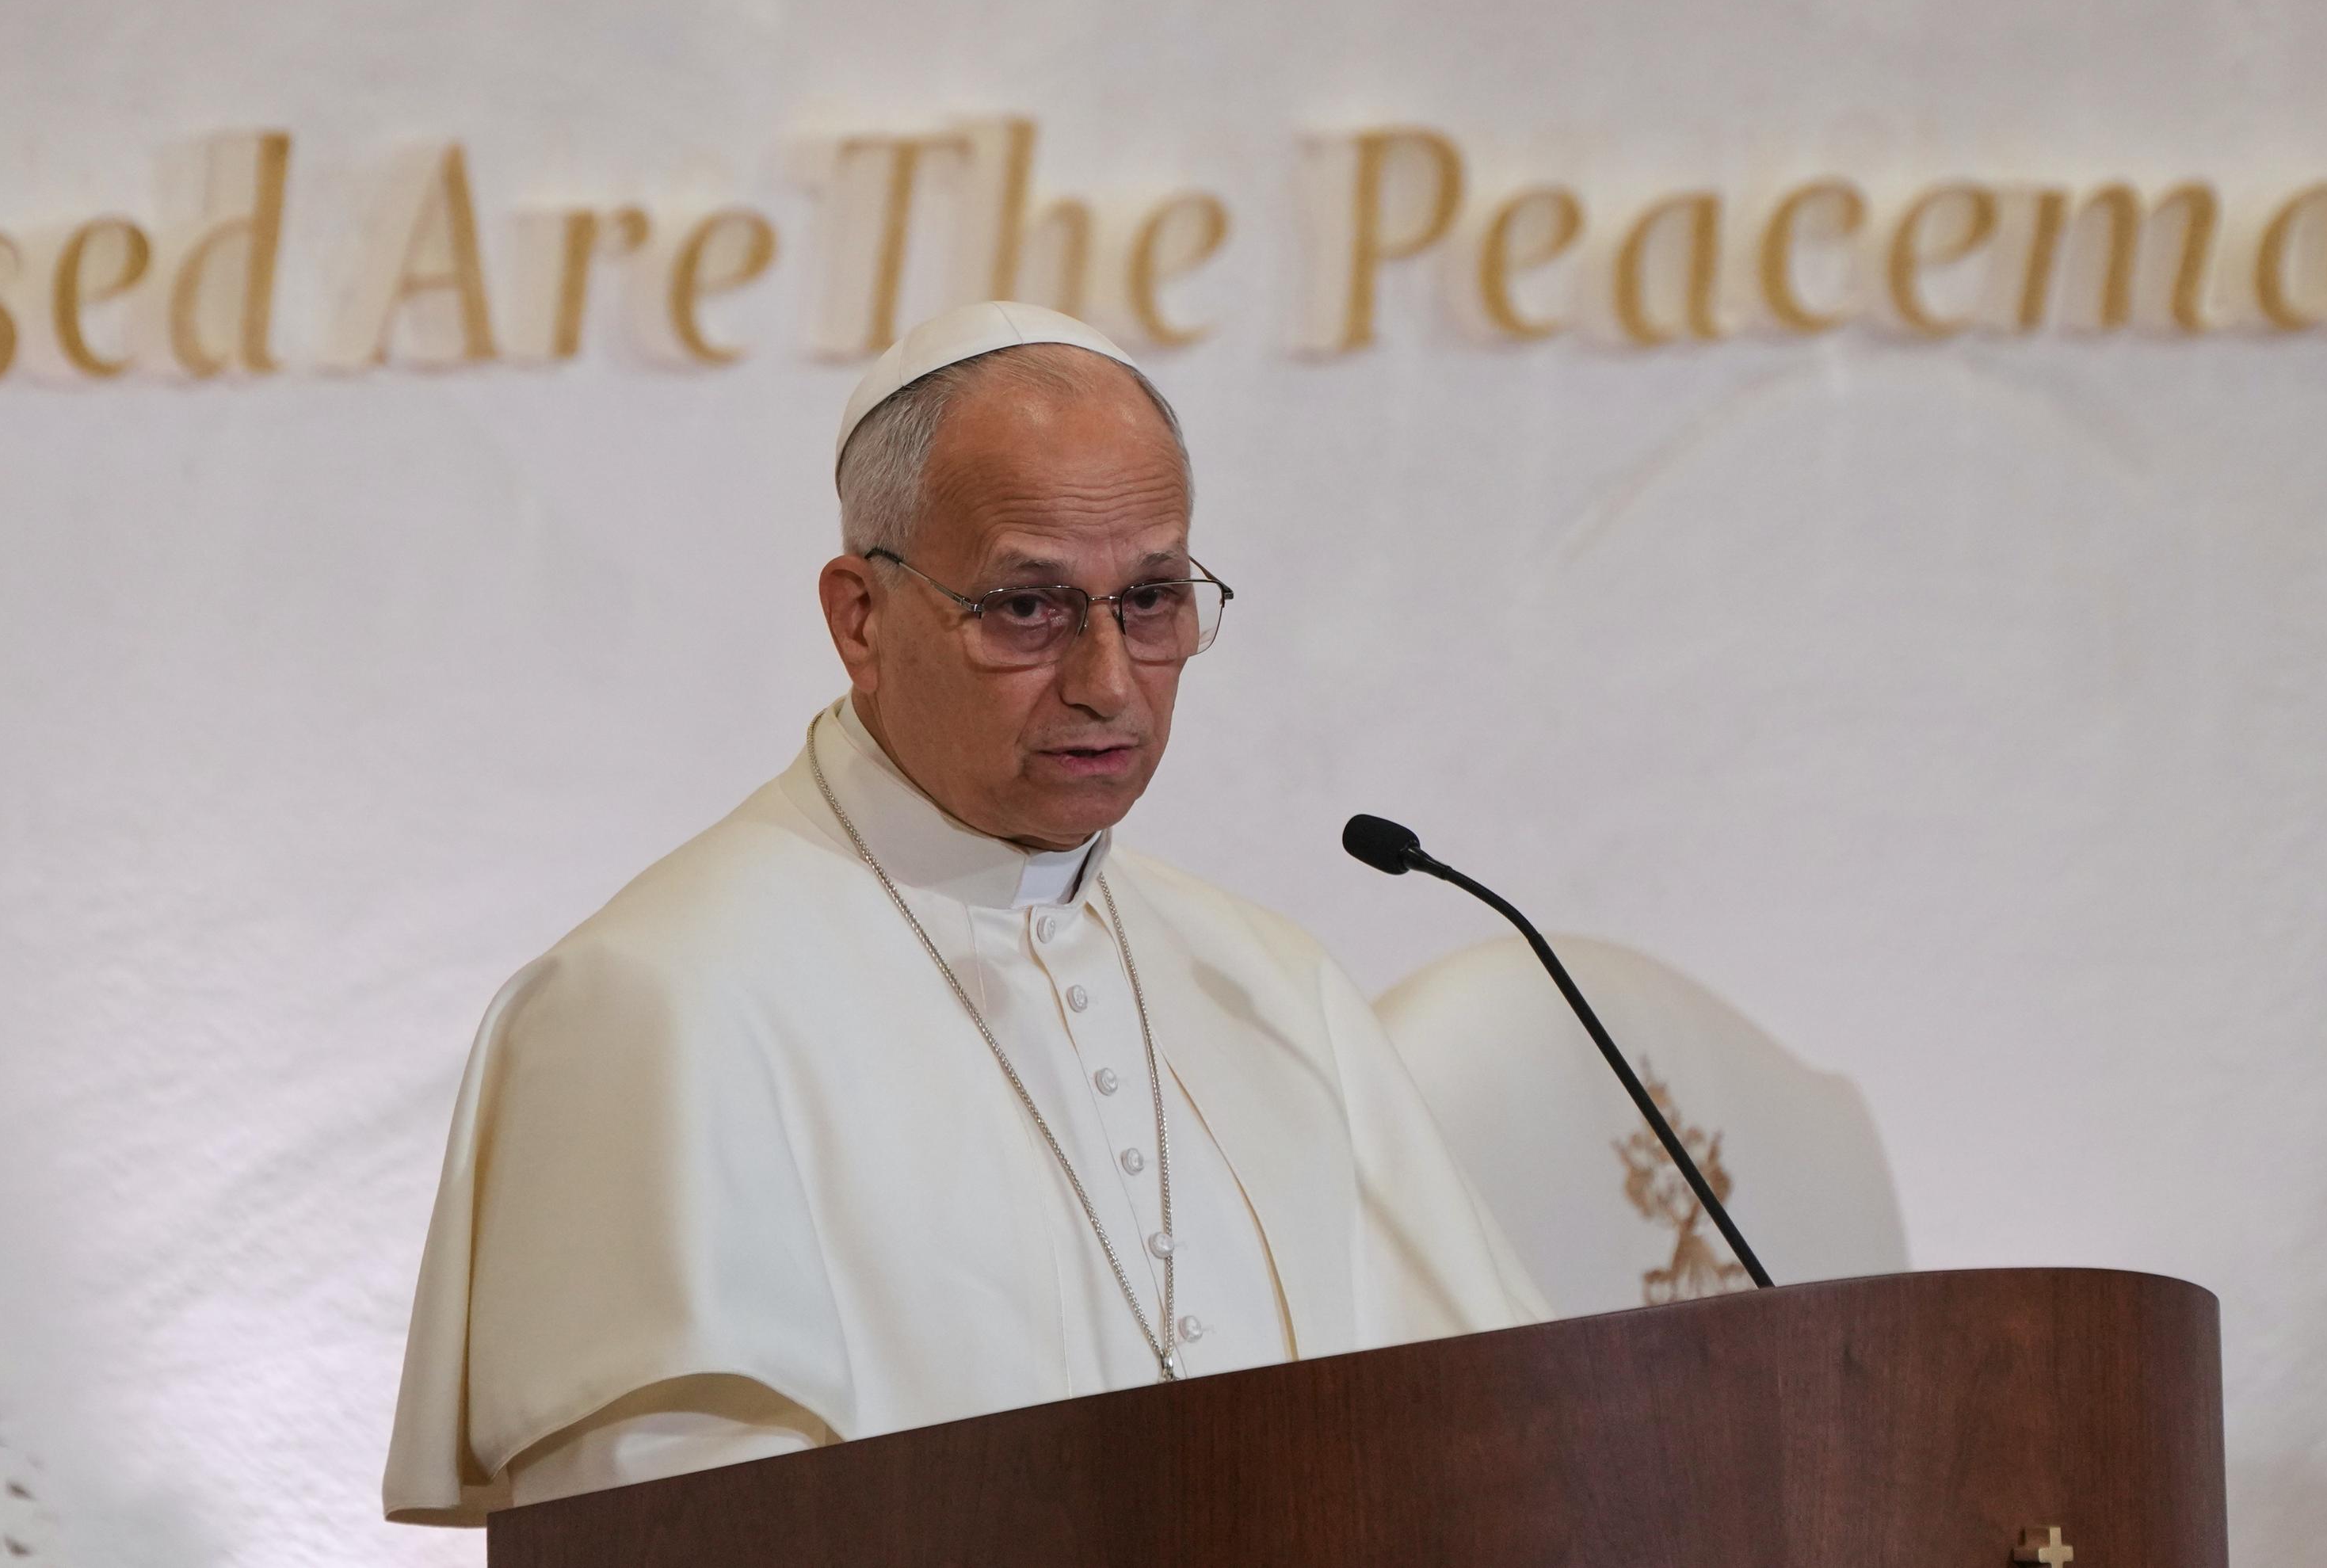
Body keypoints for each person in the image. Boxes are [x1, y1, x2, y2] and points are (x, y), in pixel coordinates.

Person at [383, 301, 1544, 1524]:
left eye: (1152, 598)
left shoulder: (1265, 982)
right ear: (860, 618)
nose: (1107, 682)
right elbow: (662, 1535)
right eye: (1027, 607)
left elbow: (1494, 1454)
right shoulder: (656, 1003)